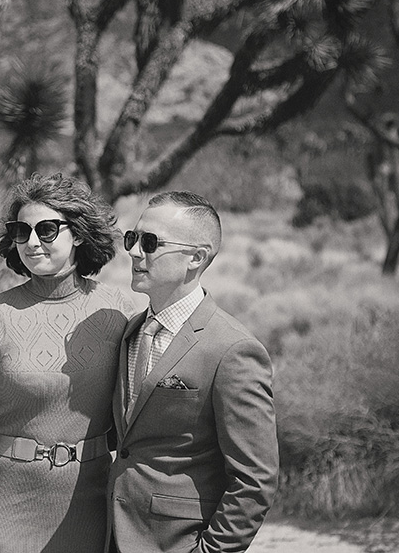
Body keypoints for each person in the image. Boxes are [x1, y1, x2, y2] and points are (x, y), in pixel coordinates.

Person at [0, 172, 134, 553]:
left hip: (93, 506)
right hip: (7, 510)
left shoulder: (122, 312)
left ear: (79, 234)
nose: (32, 243)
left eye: (47, 230)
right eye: (22, 231)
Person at [108, 191, 279, 553]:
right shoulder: (130, 332)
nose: (136, 252)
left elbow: (255, 480)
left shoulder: (233, 350)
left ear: (196, 258)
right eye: (133, 239)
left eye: (150, 242)